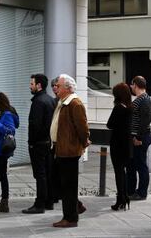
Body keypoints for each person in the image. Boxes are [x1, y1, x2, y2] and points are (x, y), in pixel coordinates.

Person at [50, 74, 89, 228]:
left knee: (68, 186)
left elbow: (82, 127)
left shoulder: (75, 103)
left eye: (58, 86)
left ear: (67, 88)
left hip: (69, 151)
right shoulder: (63, 102)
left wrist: (83, 143)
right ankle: (75, 207)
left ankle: (71, 218)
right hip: (60, 149)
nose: (55, 88)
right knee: (60, 183)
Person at [23, 74, 56, 214]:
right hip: (48, 143)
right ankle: (48, 201)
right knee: (47, 173)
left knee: (40, 174)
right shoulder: (50, 100)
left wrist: (32, 143)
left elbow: (36, 125)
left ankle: (39, 204)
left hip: (38, 144)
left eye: (32, 84)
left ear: (39, 85)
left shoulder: (38, 102)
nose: (30, 86)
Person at [107, 83, 132, 210]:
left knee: (119, 173)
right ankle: (125, 197)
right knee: (123, 172)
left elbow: (109, 124)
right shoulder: (130, 107)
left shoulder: (118, 108)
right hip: (127, 144)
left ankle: (121, 199)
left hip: (117, 144)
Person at [127, 76, 151, 201]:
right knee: (132, 165)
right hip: (135, 137)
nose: (131, 87)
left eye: (132, 85)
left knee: (141, 165)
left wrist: (138, 137)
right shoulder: (140, 99)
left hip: (140, 138)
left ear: (136, 85)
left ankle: (142, 193)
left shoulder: (145, 100)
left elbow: (145, 121)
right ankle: (131, 191)